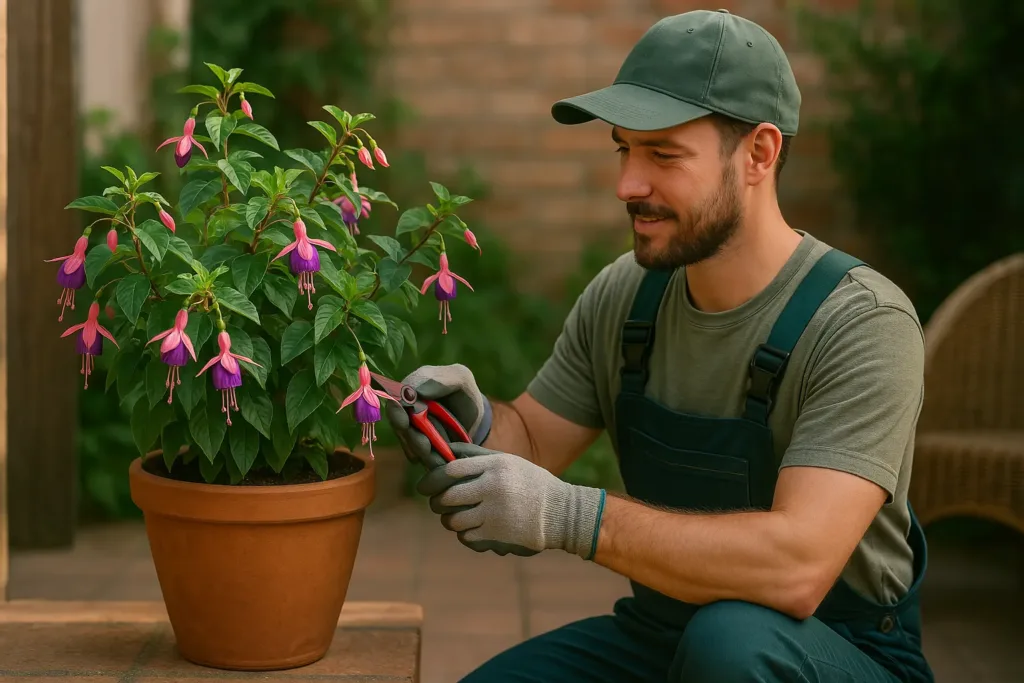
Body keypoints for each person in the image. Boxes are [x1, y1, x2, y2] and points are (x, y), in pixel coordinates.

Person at [385, 9, 935, 683]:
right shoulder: (629, 294)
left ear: (759, 153)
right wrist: (470, 426)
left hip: (827, 652)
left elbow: (797, 566)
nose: (628, 185)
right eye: (624, 149)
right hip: (664, 636)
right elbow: (533, 438)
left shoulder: (860, 323)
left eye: (663, 155)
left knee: (733, 644)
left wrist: (570, 514)